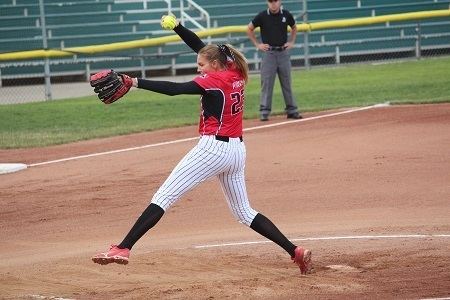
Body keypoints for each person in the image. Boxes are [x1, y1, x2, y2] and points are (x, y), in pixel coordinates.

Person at [91, 14, 312, 275]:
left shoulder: (213, 81)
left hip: (212, 151)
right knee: (243, 212)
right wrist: (177, 27)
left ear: (215, 65)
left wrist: (135, 81)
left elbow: (175, 89)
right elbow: (201, 47)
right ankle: (295, 251)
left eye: (202, 65)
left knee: (164, 196)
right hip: (236, 151)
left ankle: (123, 247)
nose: (199, 69)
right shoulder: (235, 70)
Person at [247, 0, 302, 121]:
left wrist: (291, 42)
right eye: (271, 1)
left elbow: (294, 27)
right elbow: (249, 28)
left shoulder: (286, 14)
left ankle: (292, 110)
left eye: (275, 1)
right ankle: (264, 111)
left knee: (287, 82)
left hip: (283, 52)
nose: (273, 4)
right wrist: (257, 44)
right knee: (266, 83)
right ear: (267, 2)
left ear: (280, 1)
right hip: (269, 53)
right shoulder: (262, 16)